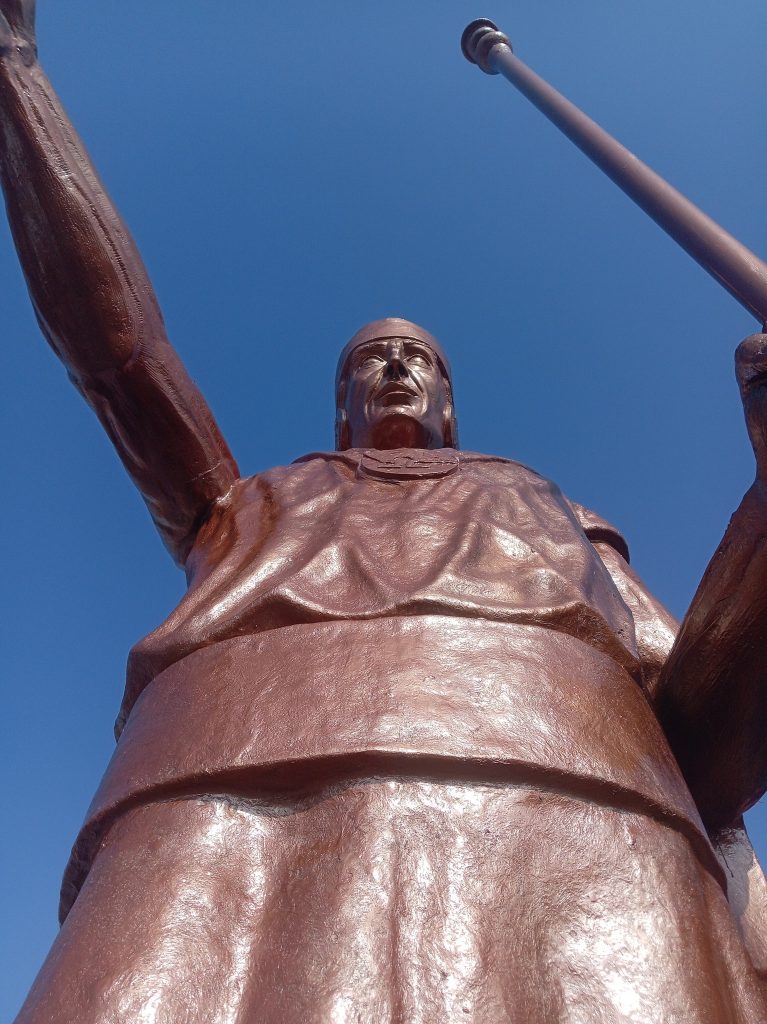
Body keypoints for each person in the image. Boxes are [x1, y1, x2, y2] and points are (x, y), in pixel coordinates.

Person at [4, 3, 767, 1021]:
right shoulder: (247, 507)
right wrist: (16, 77)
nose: (398, 366)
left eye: (418, 359)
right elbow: (119, 355)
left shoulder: (550, 508)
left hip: (580, 821)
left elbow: (701, 740)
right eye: (372, 359)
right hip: (218, 809)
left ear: (448, 400)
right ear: (341, 405)